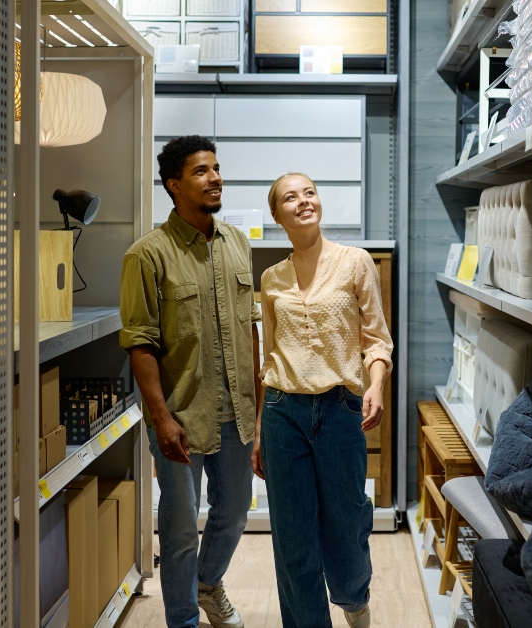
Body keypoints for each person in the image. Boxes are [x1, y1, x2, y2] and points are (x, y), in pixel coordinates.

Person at [119, 135, 261, 628]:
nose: (215, 178)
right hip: (180, 413)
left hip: (236, 410)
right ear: (174, 185)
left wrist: (257, 409)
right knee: (180, 530)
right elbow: (140, 343)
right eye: (201, 171)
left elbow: (250, 329)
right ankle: (182, 620)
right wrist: (161, 417)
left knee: (236, 512)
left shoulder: (237, 243)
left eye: (216, 168)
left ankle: (206, 584)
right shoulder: (147, 255)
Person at [252, 173, 394, 628]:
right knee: (293, 539)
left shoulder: (355, 262)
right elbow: (269, 358)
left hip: (339, 409)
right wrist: (259, 431)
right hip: (282, 412)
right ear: (277, 216)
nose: (303, 201)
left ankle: (354, 598)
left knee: (347, 526)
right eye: (290, 197)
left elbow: (376, 340)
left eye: (309, 192)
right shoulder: (271, 278)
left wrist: (375, 385)